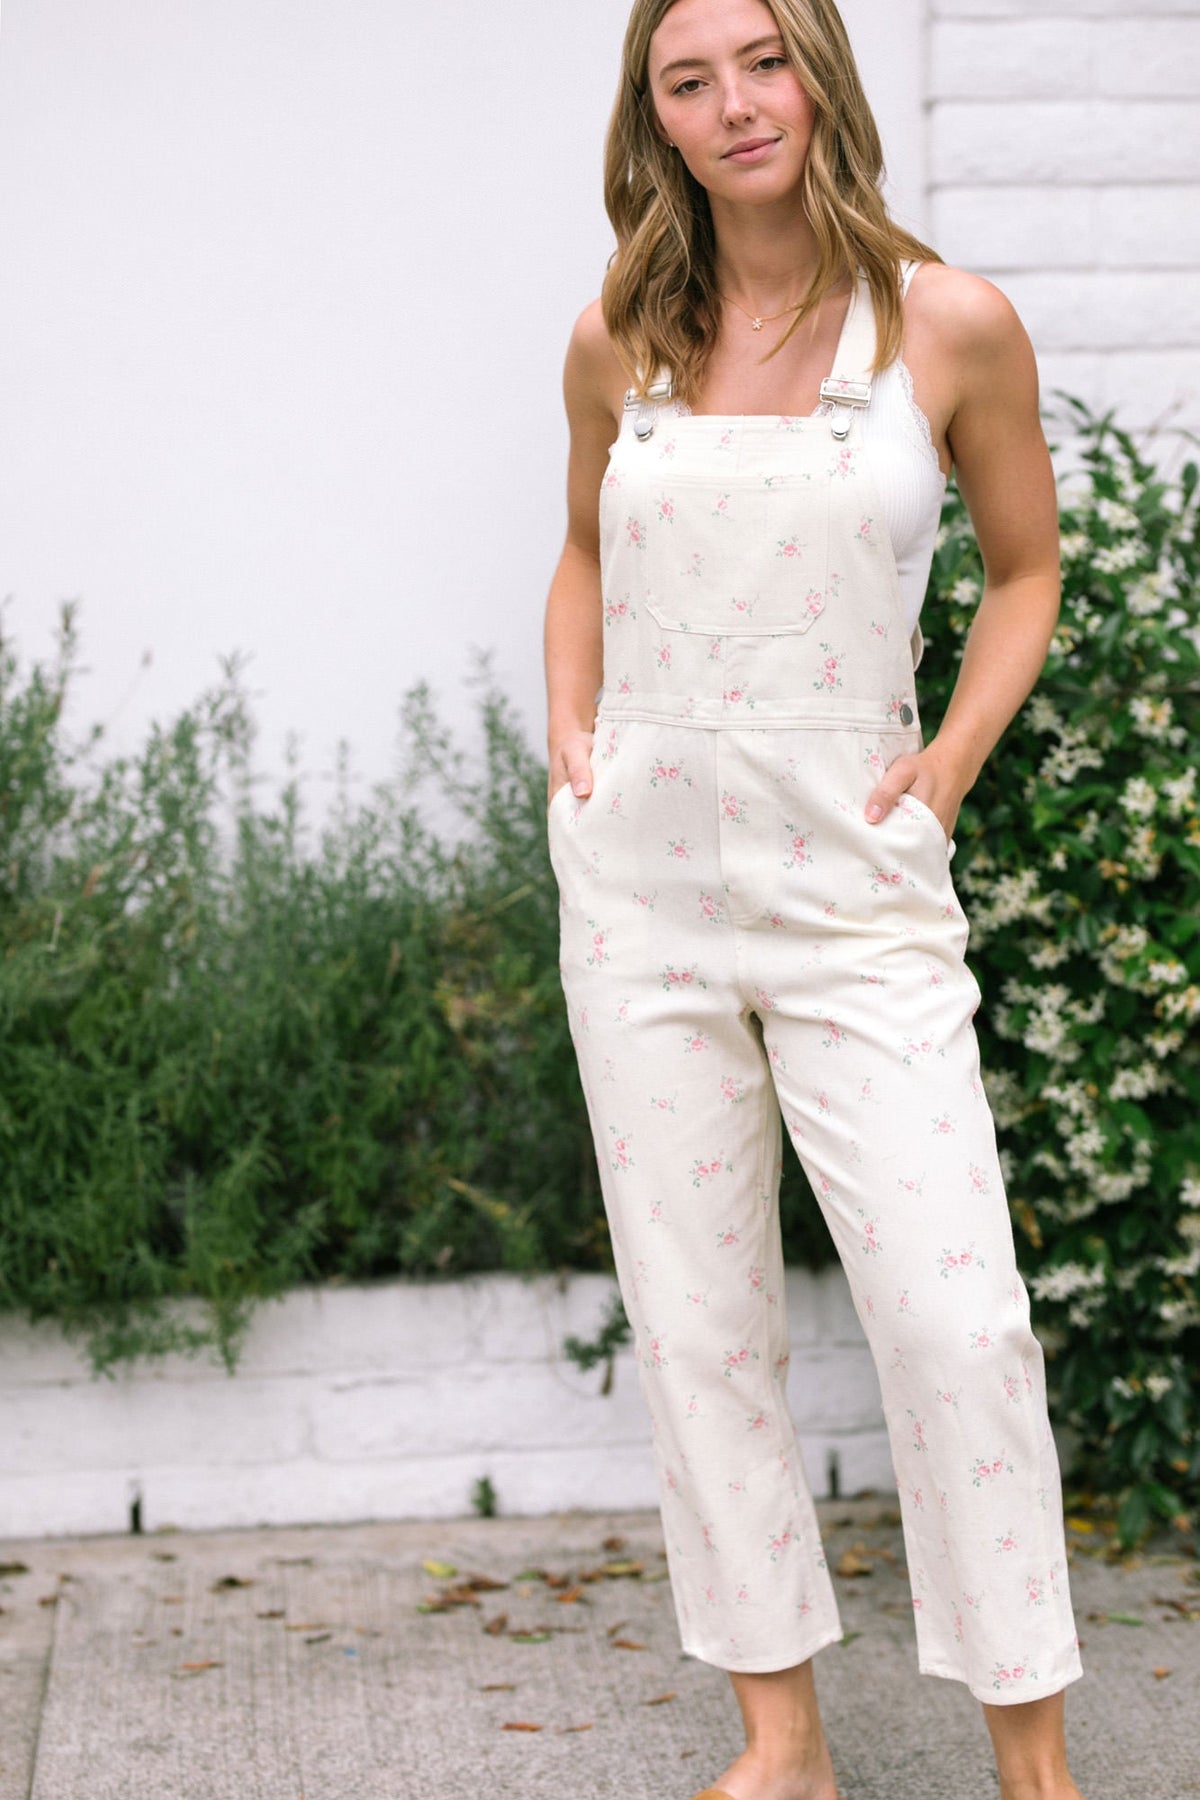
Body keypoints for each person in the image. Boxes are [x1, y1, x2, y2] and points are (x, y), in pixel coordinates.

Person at [542, 3, 1087, 1796]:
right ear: (657, 119)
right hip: (644, 897)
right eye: (687, 81)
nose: (733, 105)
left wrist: (950, 762)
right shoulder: (621, 335)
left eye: (761, 59)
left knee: (958, 1322)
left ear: (821, 72)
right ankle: (781, 1744)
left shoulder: (947, 325)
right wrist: (571, 726)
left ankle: (1036, 1766)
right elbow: (581, 550)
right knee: (700, 1325)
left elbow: (1025, 570)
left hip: (855, 892)